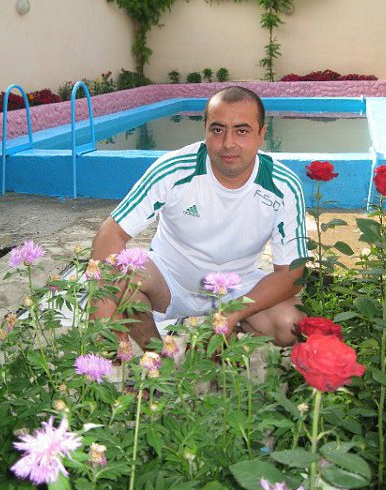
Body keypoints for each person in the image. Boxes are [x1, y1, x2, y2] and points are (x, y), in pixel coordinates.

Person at [91, 86, 307, 348]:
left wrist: (234, 313)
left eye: (241, 131)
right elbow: (112, 231)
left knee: (290, 324)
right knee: (119, 274)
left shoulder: (282, 186)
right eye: (217, 130)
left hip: (236, 286)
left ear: (262, 134)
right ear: (205, 131)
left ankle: (227, 334)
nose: (228, 143)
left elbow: (291, 274)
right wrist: (101, 304)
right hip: (169, 281)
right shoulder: (174, 169)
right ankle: (156, 356)